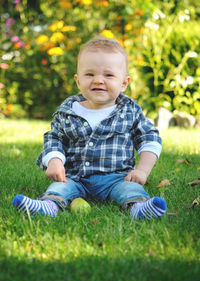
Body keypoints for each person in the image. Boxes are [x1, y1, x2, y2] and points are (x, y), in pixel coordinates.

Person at [12, 36, 167, 220]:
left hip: (118, 178)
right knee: (59, 187)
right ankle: (48, 206)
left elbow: (150, 138)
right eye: (90, 74)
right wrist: (54, 160)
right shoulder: (69, 110)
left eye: (108, 75)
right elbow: (54, 137)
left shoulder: (129, 110)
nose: (98, 80)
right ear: (78, 81)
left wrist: (142, 170)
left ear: (124, 83)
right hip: (75, 178)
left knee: (131, 189)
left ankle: (139, 208)